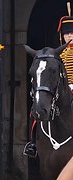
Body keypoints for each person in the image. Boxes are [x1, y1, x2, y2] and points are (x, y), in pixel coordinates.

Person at [23, 14, 73, 158]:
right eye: (66, 34)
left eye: (71, 33)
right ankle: (33, 143)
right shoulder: (58, 55)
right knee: (39, 107)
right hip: (61, 90)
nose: (69, 36)